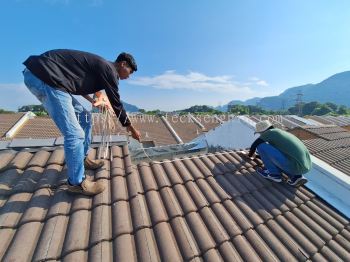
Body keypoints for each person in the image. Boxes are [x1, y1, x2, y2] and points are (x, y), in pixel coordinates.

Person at [23, 49, 141, 195]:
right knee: (75, 134)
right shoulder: (110, 70)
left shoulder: (101, 68)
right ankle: (76, 183)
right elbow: (116, 103)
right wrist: (131, 129)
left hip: (51, 78)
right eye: (130, 71)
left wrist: (93, 100)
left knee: (85, 119)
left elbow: (75, 84)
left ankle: (82, 158)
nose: (129, 76)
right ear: (123, 64)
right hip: (44, 77)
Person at [248, 120, 311, 187]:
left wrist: (249, 155)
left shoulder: (269, 132)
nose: (260, 135)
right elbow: (275, 156)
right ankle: (297, 177)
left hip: (294, 166)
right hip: (305, 166)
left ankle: (274, 175)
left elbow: (255, 145)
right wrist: (257, 156)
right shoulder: (280, 133)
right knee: (283, 157)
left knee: (261, 146)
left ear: (263, 131)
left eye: (260, 133)